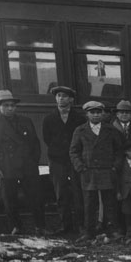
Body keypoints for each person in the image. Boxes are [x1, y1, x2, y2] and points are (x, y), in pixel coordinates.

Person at [0, 90, 49, 235]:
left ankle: (40, 226)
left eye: (12, 105)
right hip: (6, 167)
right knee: (10, 199)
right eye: (6, 105)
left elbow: (35, 143)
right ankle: (16, 227)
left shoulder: (26, 120)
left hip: (27, 165)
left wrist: (33, 161)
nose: (10, 108)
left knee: (36, 197)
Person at [70, 101, 124, 242]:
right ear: (87, 114)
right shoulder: (80, 130)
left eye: (98, 112)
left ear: (103, 113)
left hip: (107, 171)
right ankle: (89, 232)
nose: (95, 115)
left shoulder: (111, 130)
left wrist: (115, 167)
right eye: (92, 112)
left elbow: (119, 151)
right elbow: (74, 151)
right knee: (89, 203)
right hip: (89, 172)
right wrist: (80, 167)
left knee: (109, 202)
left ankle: (111, 231)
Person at [42, 85, 84, 234]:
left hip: (74, 160)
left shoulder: (80, 118)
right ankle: (65, 226)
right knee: (61, 194)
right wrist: (58, 152)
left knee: (78, 193)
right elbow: (47, 139)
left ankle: (81, 225)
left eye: (64, 96)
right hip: (57, 160)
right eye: (58, 96)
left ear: (71, 99)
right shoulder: (49, 118)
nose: (61, 98)